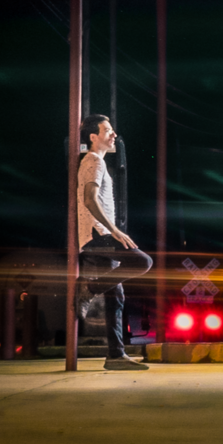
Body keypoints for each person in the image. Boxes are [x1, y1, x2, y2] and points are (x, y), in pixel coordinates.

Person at [76, 113, 151, 369]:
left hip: (98, 235)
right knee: (143, 262)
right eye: (107, 130)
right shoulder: (94, 161)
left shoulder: (96, 162)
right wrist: (115, 231)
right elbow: (89, 200)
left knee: (115, 295)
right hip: (97, 235)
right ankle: (89, 289)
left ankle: (115, 356)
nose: (114, 135)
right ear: (93, 137)